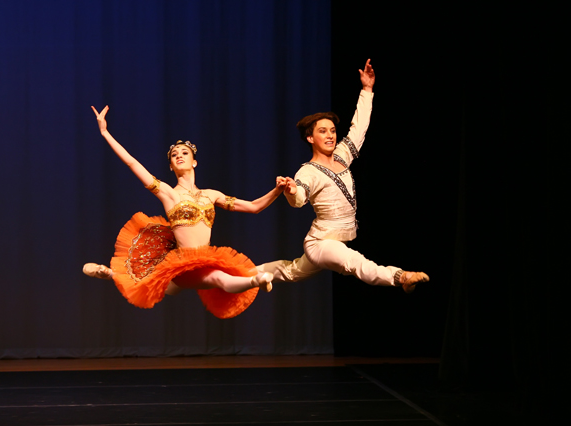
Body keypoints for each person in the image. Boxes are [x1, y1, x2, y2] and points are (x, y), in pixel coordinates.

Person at [84, 105, 288, 318]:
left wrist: (277, 190)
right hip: (182, 265)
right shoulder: (168, 194)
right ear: (171, 166)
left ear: (195, 161)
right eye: (174, 155)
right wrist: (105, 133)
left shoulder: (212, 195)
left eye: (184, 153)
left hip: (205, 259)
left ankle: (112, 274)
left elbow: (254, 207)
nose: (179, 156)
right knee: (216, 278)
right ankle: (257, 280)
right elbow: (132, 163)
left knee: (188, 283)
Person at [257, 59, 429, 293]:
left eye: (332, 131)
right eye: (322, 131)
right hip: (321, 244)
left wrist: (367, 90)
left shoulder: (341, 156)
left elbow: (359, 129)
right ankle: (400, 277)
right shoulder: (308, 171)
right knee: (354, 262)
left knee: (292, 271)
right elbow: (299, 198)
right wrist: (291, 190)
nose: (330, 136)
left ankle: (245, 274)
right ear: (310, 138)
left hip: (337, 241)